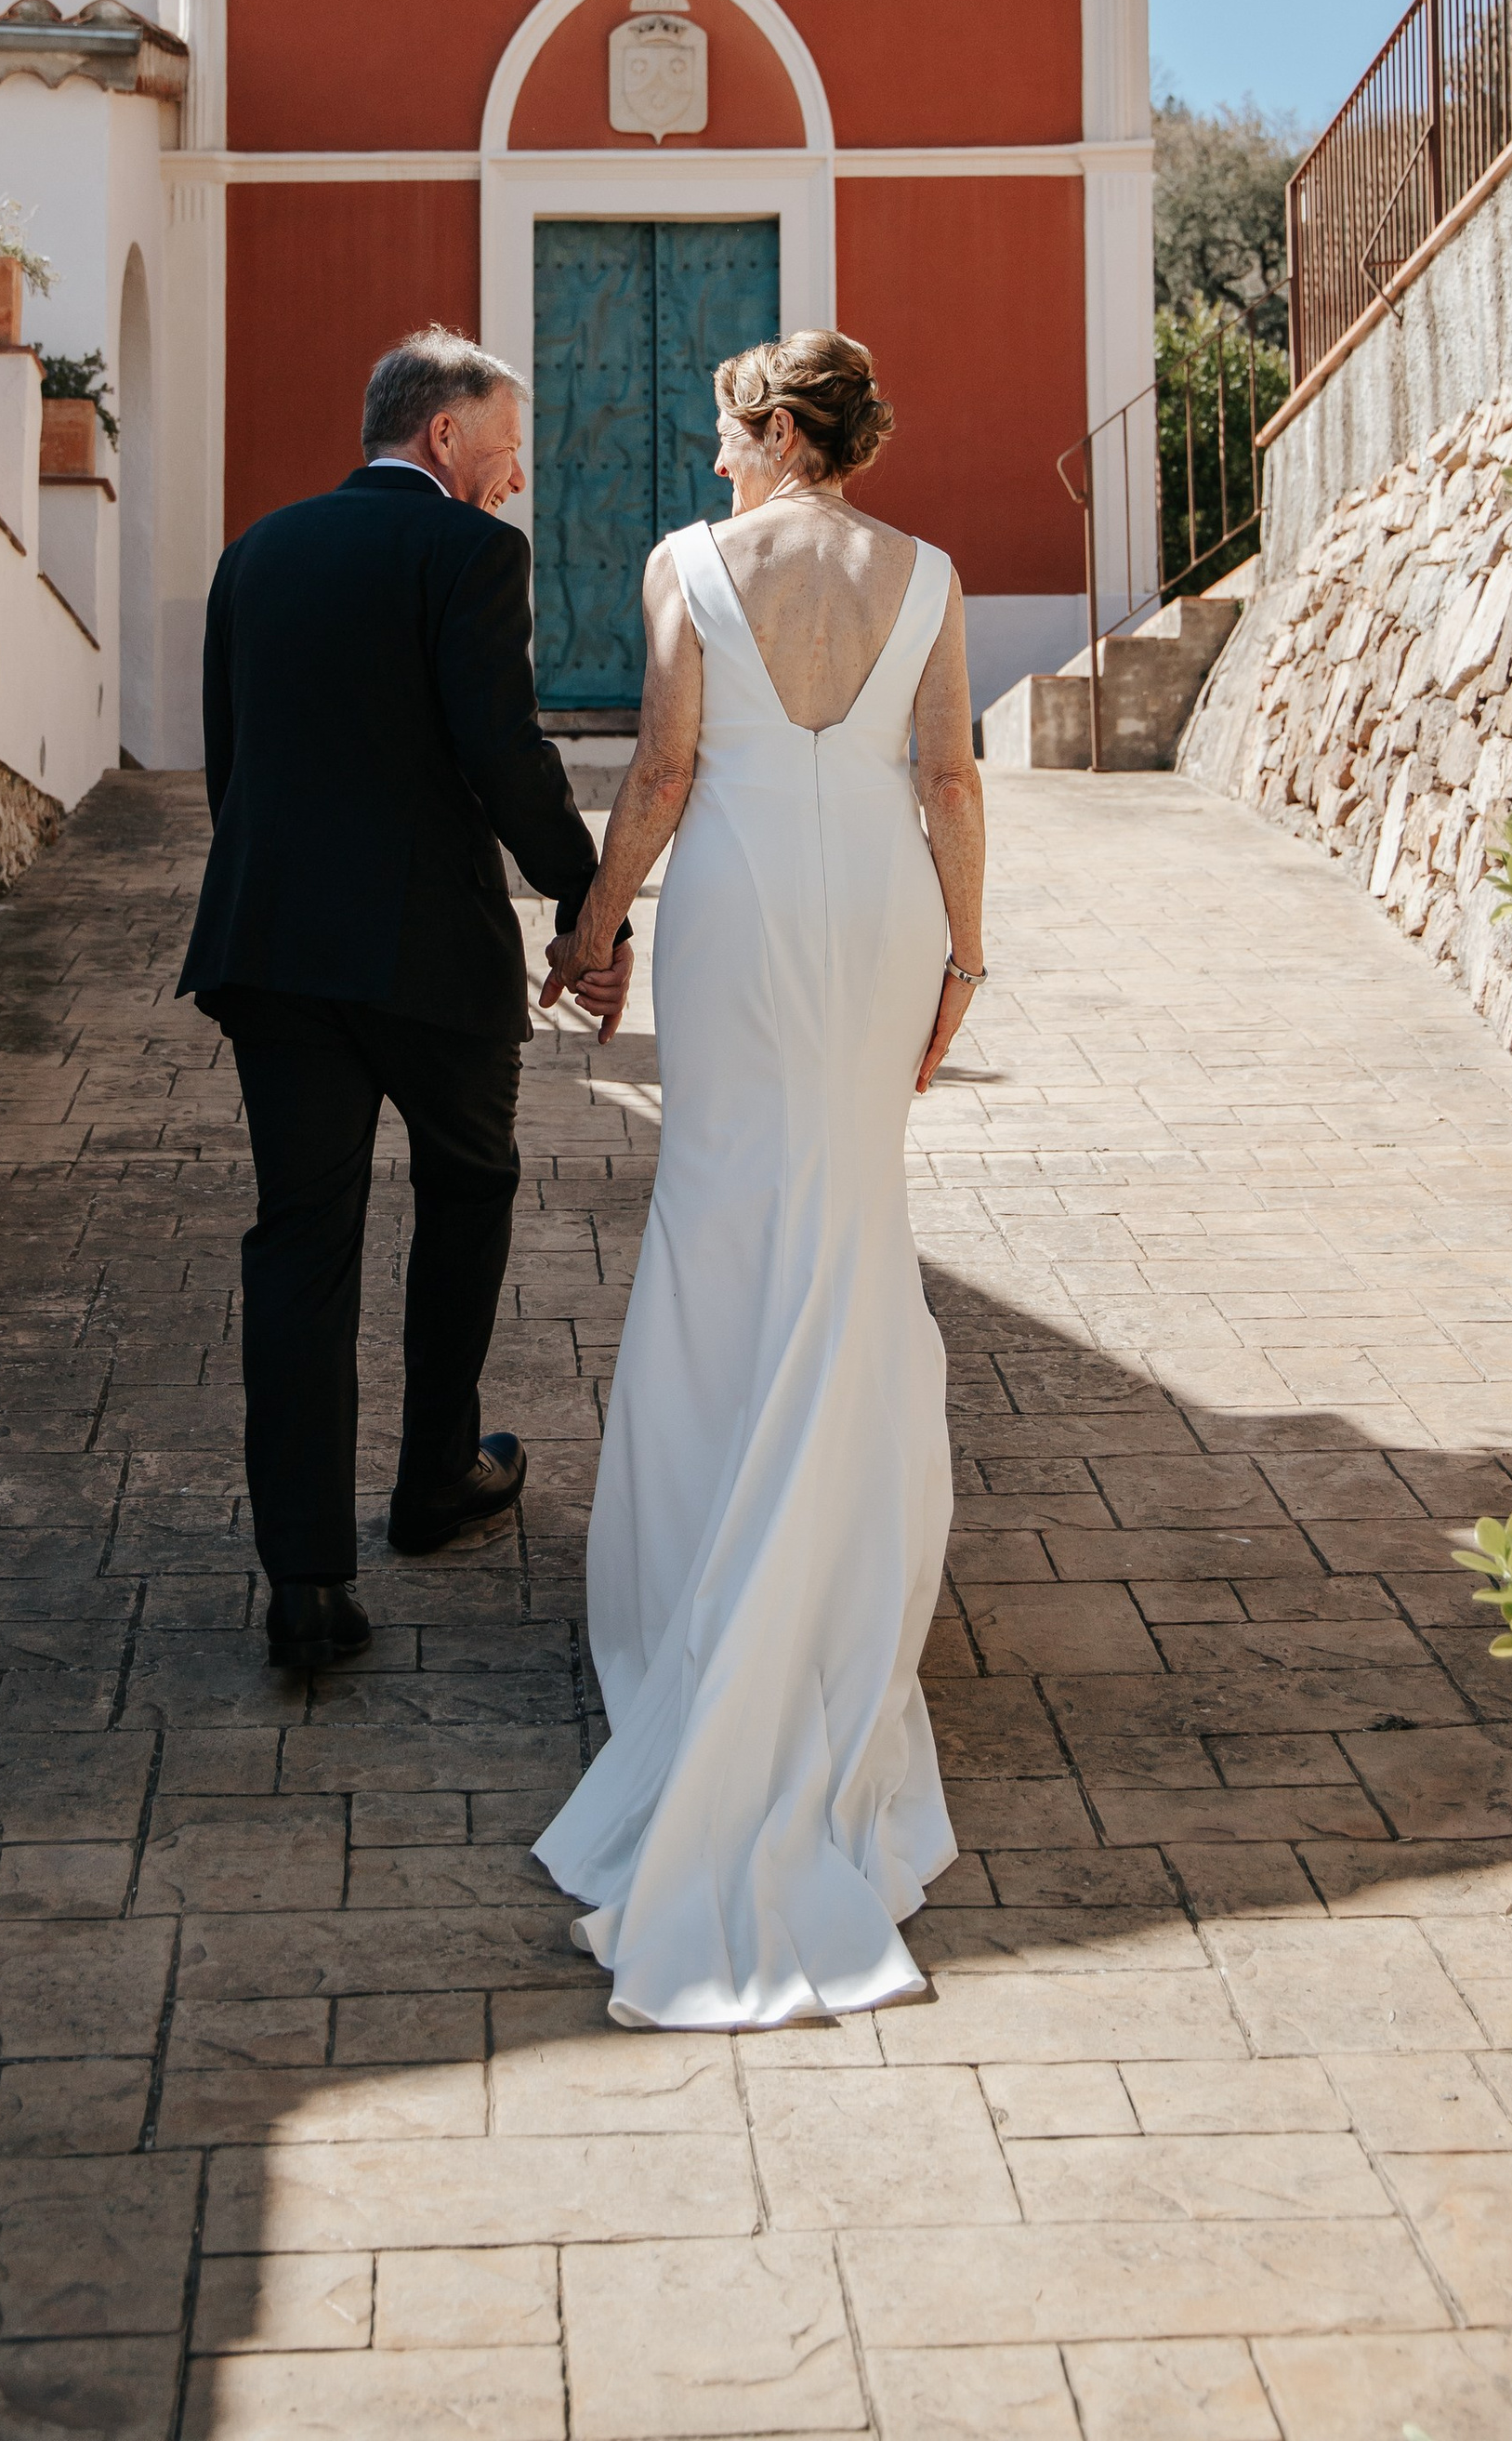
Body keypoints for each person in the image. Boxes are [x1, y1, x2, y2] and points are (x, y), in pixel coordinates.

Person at [531, 328, 985, 2027]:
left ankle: (716, 1574)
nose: (714, 457)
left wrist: (592, 930)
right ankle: (834, 1579)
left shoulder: (689, 565)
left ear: (781, 429)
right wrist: (966, 961)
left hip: (734, 912)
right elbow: (948, 779)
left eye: (729, 433)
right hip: (879, 913)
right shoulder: (929, 573)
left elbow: (661, 771)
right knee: (849, 1214)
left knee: (723, 1213)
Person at [180, 327, 633, 1665]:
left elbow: (230, 771)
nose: (516, 477)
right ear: (446, 434)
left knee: (300, 1244)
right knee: (468, 1191)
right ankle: (435, 1477)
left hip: (273, 954)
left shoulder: (253, 554)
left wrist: (278, 904)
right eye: (507, 447)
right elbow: (504, 753)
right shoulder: (469, 552)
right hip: (434, 960)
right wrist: (589, 908)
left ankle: (306, 1587)